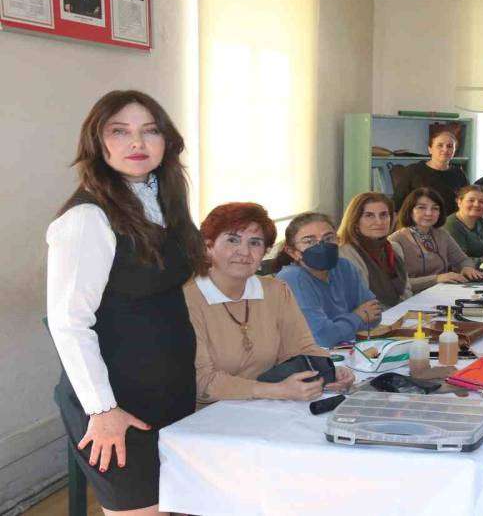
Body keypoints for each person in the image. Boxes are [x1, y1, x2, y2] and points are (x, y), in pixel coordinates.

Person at [47, 90, 205, 513]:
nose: (137, 142)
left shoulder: (163, 200)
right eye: (120, 131)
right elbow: (69, 322)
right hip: (116, 402)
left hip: (169, 390)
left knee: (174, 504)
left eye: (149, 131)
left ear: (166, 141)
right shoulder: (87, 217)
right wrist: (103, 410)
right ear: (97, 143)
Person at [184, 203, 354, 406]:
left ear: (265, 251)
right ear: (208, 246)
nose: (244, 252)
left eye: (255, 243)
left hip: (267, 405)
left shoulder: (275, 290)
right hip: (208, 414)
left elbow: (301, 348)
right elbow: (201, 381)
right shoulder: (187, 299)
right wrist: (275, 390)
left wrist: (328, 370)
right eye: (232, 240)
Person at [274, 213, 382, 347]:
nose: (321, 245)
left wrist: (336, 328)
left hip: (344, 350)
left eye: (328, 238)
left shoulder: (344, 266)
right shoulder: (292, 278)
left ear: (338, 241)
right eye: (309, 241)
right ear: (293, 252)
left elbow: (375, 315)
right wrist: (357, 317)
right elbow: (323, 338)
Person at [388, 187, 483, 293]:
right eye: (421, 208)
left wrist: (466, 267)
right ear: (410, 211)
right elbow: (398, 283)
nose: (429, 213)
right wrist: (437, 279)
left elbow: (463, 259)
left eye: (435, 208)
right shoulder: (395, 240)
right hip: (413, 298)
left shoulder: (441, 234)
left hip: (443, 292)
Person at [338, 192, 413, 308]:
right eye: (369, 215)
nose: (379, 222)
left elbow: (406, 292)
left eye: (384, 215)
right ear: (355, 221)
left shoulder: (394, 248)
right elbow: (361, 303)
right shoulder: (345, 253)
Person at [392, 129, 468, 217]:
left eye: (450, 146)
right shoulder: (413, 171)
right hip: (420, 222)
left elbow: (465, 202)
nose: (445, 149)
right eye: (440, 145)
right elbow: (397, 203)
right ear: (430, 149)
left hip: (449, 223)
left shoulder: (459, 174)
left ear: (454, 151)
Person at [444, 185, 483, 264]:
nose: (476, 204)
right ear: (459, 202)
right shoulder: (451, 225)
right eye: (471, 200)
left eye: (481, 202)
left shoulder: (482, 222)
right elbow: (457, 261)